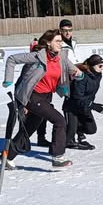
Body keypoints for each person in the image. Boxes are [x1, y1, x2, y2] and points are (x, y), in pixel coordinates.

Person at [2, 30, 81, 169]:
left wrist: (78, 74)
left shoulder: (61, 57)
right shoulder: (37, 56)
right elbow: (12, 59)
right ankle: (58, 156)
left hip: (46, 96)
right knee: (59, 120)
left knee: (30, 127)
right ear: (48, 43)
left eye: (61, 41)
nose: (60, 44)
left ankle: (7, 156)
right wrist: (8, 80)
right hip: (32, 96)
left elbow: (73, 69)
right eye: (57, 41)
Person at [36, 18, 78, 147]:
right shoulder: (56, 46)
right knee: (49, 111)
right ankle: (49, 140)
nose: (67, 33)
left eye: (69, 30)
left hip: (68, 78)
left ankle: (74, 135)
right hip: (58, 80)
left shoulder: (73, 43)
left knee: (48, 109)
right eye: (64, 31)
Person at [67, 54, 103, 150]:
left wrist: (92, 104)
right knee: (69, 136)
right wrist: (93, 105)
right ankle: (68, 138)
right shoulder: (82, 76)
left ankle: (78, 131)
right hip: (72, 106)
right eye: (100, 66)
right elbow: (77, 97)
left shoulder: (97, 76)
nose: (102, 68)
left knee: (91, 129)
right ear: (92, 66)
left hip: (85, 106)